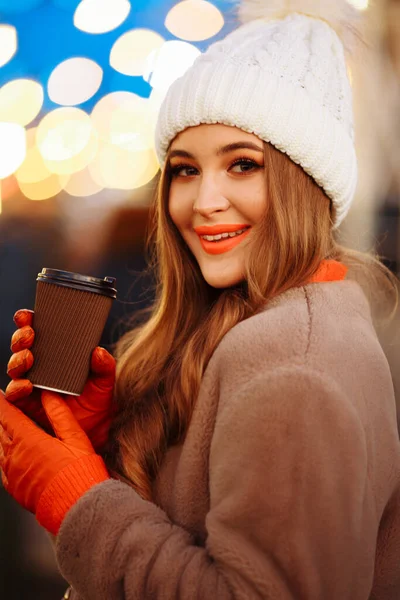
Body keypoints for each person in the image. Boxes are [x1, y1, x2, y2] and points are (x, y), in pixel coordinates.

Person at [1, 1, 400, 598]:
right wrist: (106, 443)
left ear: (306, 183)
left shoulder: (291, 361)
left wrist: (78, 499)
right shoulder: (259, 321)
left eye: (243, 165)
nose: (204, 201)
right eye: (185, 170)